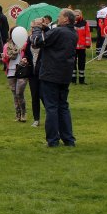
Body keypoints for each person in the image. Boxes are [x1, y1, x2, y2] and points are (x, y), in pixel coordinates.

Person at [33, 8, 78, 147]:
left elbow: (37, 41)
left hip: (51, 74)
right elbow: (54, 41)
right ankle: (68, 139)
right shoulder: (72, 33)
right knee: (63, 106)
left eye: (60, 16)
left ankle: (52, 140)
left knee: (51, 107)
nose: (58, 18)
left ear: (66, 19)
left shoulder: (59, 31)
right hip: (64, 74)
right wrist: (46, 29)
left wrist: (36, 28)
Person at [23, 17, 46, 127]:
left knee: (44, 95)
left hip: (43, 72)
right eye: (34, 26)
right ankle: (36, 119)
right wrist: (25, 59)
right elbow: (26, 53)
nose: (35, 28)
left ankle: (50, 115)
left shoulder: (45, 38)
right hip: (32, 73)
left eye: (38, 25)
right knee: (34, 96)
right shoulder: (29, 39)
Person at [2, 35, 28, 122]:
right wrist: (4, 57)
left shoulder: (24, 44)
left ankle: (23, 113)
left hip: (22, 70)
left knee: (19, 93)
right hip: (11, 71)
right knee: (14, 94)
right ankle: (18, 114)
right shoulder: (7, 46)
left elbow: (28, 56)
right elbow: (5, 59)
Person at [72, 9, 91, 85]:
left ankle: (81, 80)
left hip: (82, 47)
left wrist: (88, 43)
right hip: (73, 47)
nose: (76, 16)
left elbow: (88, 34)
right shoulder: (71, 23)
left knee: (82, 63)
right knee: (72, 63)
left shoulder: (85, 23)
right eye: (75, 15)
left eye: (78, 15)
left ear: (81, 15)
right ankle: (73, 80)